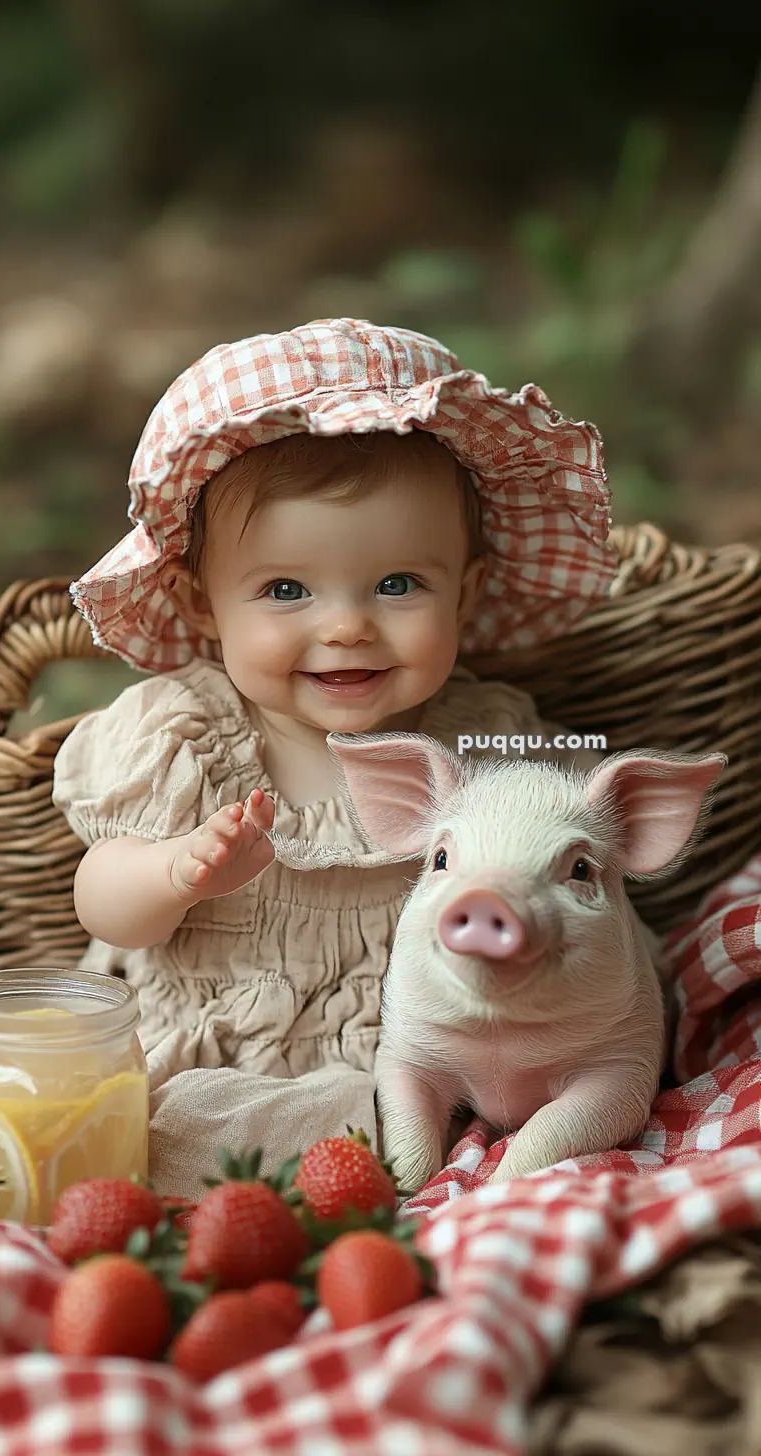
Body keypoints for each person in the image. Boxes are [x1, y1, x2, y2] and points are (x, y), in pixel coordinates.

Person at [52, 316, 615, 1196]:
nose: (346, 625)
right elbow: (105, 910)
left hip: (417, 1065)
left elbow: (569, 850)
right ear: (203, 607)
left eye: (398, 585)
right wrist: (177, 872)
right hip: (212, 1049)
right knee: (170, 1123)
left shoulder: (483, 738)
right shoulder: (179, 735)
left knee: (405, 1111)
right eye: (285, 590)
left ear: (465, 592)